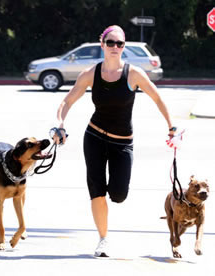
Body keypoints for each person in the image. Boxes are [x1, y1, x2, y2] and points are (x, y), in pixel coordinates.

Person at [53, 25, 176, 257]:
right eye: (110, 43)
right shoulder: (91, 73)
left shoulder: (134, 73)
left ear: (124, 47)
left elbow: (158, 99)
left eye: (119, 43)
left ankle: (110, 198)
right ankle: (103, 239)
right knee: (97, 191)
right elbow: (67, 101)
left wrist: (172, 126)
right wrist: (59, 124)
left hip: (122, 143)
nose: (115, 47)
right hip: (94, 137)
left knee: (119, 194)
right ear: (103, 44)